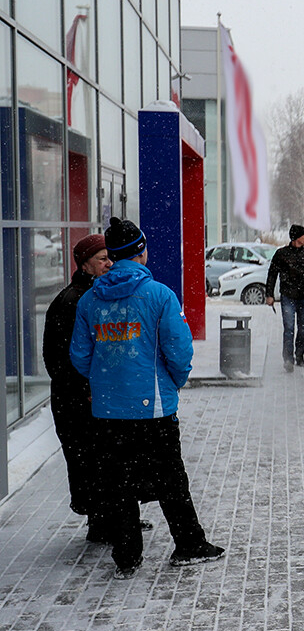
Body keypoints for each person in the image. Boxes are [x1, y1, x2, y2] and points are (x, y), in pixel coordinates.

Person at [70, 217, 223, 579]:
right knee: (171, 479)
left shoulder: (91, 299)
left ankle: (127, 556)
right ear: (140, 251)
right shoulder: (159, 295)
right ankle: (188, 544)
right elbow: (179, 350)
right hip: (152, 408)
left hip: (108, 411)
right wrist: (176, 381)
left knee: (118, 483)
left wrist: (105, 382)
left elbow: (79, 356)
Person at [42, 234, 134, 542]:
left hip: (90, 395)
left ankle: (116, 516)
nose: (110, 263)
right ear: (85, 265)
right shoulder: (74, 301)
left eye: (110, 258)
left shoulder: (94, 294)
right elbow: (59, 358)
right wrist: (85, 389)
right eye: (102, 259)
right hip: (76, 399)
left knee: (103, 459)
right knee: (90, 460)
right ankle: (102, 523)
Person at [266, 224, 304, 371]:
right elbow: (272, 274)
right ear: (297, 237)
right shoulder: (281, 254)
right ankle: (288, 359)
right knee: (289, 328)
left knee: (302, 328)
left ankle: (300, 355)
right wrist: (269, 294)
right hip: (288, 296)